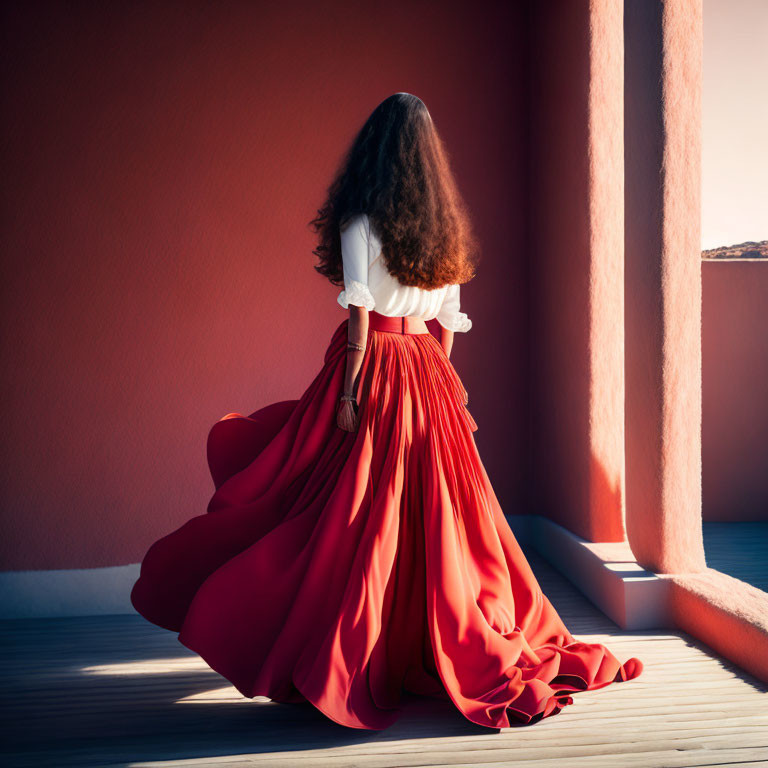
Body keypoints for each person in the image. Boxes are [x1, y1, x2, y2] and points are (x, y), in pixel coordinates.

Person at [130, 92, 642, 731]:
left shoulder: (359, 221)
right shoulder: (441, 228)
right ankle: (429, 641)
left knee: (349, 512)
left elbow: (359, 320)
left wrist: (348, 394)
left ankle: (352, 652)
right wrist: (446, 386)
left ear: (373, 151)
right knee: (439, 519)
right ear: (430, 160)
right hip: (427, 370)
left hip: (373, 368)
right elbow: (446, 325)